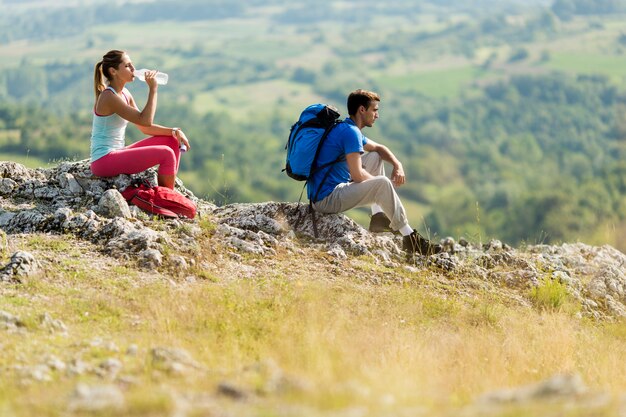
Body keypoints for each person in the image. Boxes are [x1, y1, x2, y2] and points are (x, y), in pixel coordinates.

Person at [308, 89, 442, 255]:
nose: (377, 115)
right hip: (326, 200)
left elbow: (379, 148)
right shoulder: (351, 133)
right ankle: (410, 238)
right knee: (382, 183)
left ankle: (378, 216)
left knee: (374, 156)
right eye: (375, 110)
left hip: (326, 191)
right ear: (362, 110)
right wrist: (379, 187)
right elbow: (357, 175)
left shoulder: (346, 127)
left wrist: (397, 164)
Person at [90, 50, 190, 189]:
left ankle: (167, 195)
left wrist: (174, 131)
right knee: (166, 154)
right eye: (127, 66)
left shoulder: (124, 93)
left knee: (172, 141)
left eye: (132, 65)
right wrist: (153, 89)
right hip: (103, 160)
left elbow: (144, 128)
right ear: (113, 71)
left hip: (118, 152)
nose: (133, 69)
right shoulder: (109, 97)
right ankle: (167, 198)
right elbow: (145, 121)